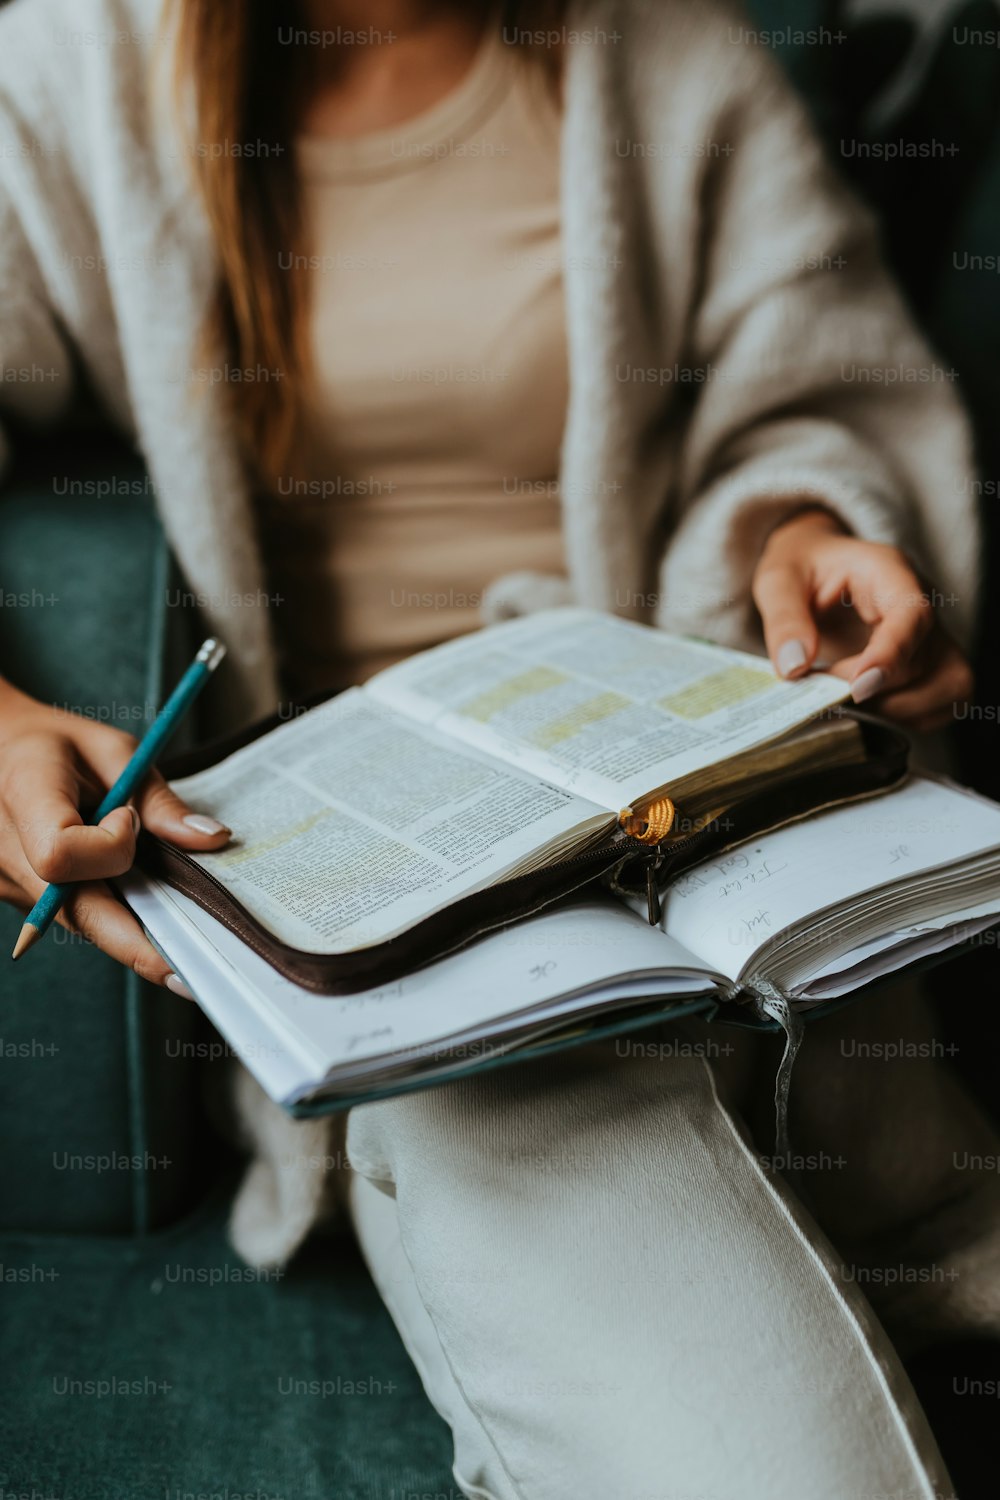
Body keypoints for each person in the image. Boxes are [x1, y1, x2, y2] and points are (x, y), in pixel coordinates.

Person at [0, 0, 996, 1494]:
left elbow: (807, 390)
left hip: (689, 804)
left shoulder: (675, 60)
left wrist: (800, 532)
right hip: (390, 935)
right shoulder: (78, 70)